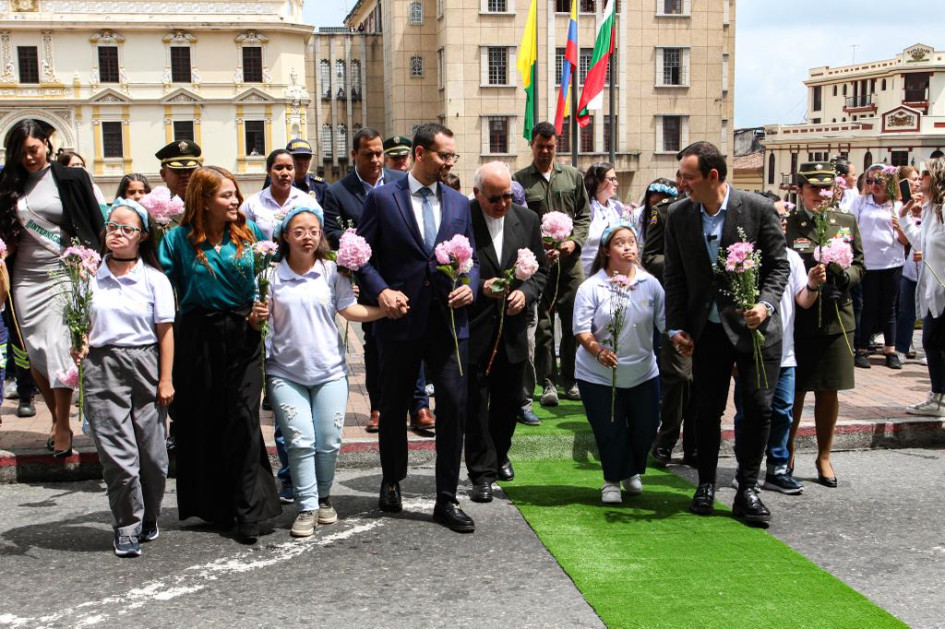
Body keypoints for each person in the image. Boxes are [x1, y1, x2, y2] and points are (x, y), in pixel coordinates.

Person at [356, 122, 479, 533]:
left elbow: (471, 260)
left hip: (447, 325)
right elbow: (362, 258)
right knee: (393, 407)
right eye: (444, 155)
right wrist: (382, 292)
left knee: (453, 406)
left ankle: (446, 497)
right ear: (421, 154)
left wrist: (469, 288)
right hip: (399, 321)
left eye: (452, 157)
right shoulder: (381, 199)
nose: (449, 163)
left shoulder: (461, 204)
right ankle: (391, 479)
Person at [663, 141, 789, 524]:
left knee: (758, 407)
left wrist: (764, 305)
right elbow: (675, 276)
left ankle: (747, 488)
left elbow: (779, 267)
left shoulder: (756, 209)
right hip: (709, 331)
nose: (681, 184)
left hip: (755, 330)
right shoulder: (678, 216)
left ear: (712, 176)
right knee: (706, 407)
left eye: (687, 177)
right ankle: (705, 484)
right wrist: (677, 327)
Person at [157, 166, 281, 543]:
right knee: (205, 419)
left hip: (243, 333)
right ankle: (214, 507)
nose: (235, 201)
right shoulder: (176, 241)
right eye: (226, 195)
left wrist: (262, 308)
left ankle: (248, 510)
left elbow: (267, 280)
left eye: (235, 194)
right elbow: (162, 292)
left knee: (243, 417)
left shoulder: (250, 233)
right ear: (203, 200)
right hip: (196, 335)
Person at [266, 206, 386, 537]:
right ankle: (306, 506)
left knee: (329, 441)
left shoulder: (333, 272)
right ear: (285, 236)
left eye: (314, 230)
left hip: (330, 371)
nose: (307, 236)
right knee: (299, 440)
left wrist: (383, 310)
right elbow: (261, 319)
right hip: (284, 373)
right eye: (299, 230)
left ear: (321, 235)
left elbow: (349, 309)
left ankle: (322, 497)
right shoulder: (270, 276)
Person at [0, 119, 105, 457]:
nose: (28, 157)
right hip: (25, 277)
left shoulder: (72, 178)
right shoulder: (8, 183)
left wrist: (96, 260)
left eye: (33, 149)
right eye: (21, 152)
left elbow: (94, 222)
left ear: (47, 143)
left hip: (65, 271)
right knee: (34, 351)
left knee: (60, 346)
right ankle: (60, 415)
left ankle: (61, 425)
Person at [78, 199, 175, 557]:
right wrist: (80, 345)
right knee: (118, 455)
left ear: (142, 236)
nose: (117, 233)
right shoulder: (87, 276)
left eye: (127, 228)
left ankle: (150, 516)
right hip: (102, 366)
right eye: (112, 226)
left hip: (145, 362)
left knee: (152, 456)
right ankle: (127, 525)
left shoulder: (155, 280)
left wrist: (166, 379)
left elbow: (165, 332)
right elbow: (80, 326)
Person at [321, 127, 433, 433]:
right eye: (368, 154)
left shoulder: (402, 181)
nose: (375, 159)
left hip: (408, 278)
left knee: (415, 339)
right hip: (371, 281)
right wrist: (356, 247)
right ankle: (378, 406)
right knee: (376, 345)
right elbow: (331, 233)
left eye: (378, 153)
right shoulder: (337, 192)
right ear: (354, 155)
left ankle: (420, 406)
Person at [465, 162, 547, 503]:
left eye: (508, 198)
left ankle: (499, 453)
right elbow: (451, 266)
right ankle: (481, 472)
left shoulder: (527, 221)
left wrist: (524, 294)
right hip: (476, 326)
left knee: (509, 400)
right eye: (495, 198)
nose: (502, 205)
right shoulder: (463, 217)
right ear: (477, 194)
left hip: (512, 329)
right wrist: (478, 286)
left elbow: (540, 274)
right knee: (475, 404)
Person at [733, 200, 823, 495]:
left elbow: (803, 300)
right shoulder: (743, 256)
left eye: (783, 219)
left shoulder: (792, 258)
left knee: (782, 411)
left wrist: (812, 284)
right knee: (750, 412)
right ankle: (745, 468)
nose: (780, 224)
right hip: (753, 350)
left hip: (785, 352)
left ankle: (777, 469)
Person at [785, 162, 865, 488]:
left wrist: (844, 277)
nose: (820, 195)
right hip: (802, 317)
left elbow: (860, 264)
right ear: (801, 190)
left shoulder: (844, 222)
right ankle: (785, 452)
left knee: (828, 389)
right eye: (813, 188)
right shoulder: (790, 224)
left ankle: (824, 456)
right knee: (796, 390)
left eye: (826, 188)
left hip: (835, 315)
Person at [575, 222, 664, 503]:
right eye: (619, 242)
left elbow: (665, 323)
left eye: (631, 241)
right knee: (609, 428)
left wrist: (680, 338)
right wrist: (598, 350)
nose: (628, 247)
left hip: (643, 372)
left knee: (647, 426)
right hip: (598, 375)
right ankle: (612, 480)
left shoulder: (651, 284)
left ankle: (630, 471)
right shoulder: (592, 287)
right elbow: (582, 330)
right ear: (605, 251)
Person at [513, 121, 591, 408]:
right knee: (543, 326)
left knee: (573, 322)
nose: (545, 151)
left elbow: (584, 215)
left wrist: (575, 242)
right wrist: (537, 250)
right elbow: (515, 222)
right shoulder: (520, 180)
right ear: (531, 145)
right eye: (540, 146)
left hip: (571, 265)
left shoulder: (572, 177)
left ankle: (570, 379)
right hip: (540, 267)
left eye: (550, 146)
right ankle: (548, 381)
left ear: (556, 146)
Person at [641, 175, 697, 468]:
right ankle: (666, 440)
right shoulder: (664, 212)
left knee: (704, 380)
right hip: (677, 307)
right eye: (682, 177)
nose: (686, 183)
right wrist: (688, 262)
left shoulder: (724, 215)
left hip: (712, 310)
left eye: (692, 177)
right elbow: (649, 258)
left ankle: (696, 445)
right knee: (678, 377)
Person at [851, 163, 906, 369]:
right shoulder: (861, 202)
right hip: (868, 263)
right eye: (870, 181)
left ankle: (890, 349)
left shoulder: (897, 206)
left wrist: (899, 226)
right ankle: (862, 348)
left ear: (889, 182)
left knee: (889, 307)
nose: (874, 185)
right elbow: (850, 227)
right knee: (868, 306)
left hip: (892, 262)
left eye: (879, 181)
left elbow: (905, 240)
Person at [901, 159, 945, 416]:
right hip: (933, 289)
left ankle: (938, 396)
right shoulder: (930, 210)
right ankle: (937, 395)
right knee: (932, 342)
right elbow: (920, 242)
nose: (920, 179)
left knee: (933, 342)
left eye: (925, 173)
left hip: (942, 288)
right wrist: (904, 217)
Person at [240, 149, 309, 238]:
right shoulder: (252, 204)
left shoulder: (307, 202)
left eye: (289, 168)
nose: (285, 173)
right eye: (279, 168)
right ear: (269, 171)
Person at [896, 165, 923, 361]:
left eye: (918, 180)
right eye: (913, 180)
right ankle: (902, 346)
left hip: (928, 265)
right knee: (906, 309)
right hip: (909, 265)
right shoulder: (900, 204)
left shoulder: (929, 204)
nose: (917, 183)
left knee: (933, 311)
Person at [580, 162, 625, 278]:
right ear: (598, 182)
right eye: (612, 179)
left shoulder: (618, 208)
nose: (617, 183)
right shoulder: (585, 209)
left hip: (614, 273)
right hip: (588, 274)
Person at [266, 139, 331, 207]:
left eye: (306, 157)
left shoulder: (320, 186)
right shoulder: (275, 181)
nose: (301, 161)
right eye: (296, 157)